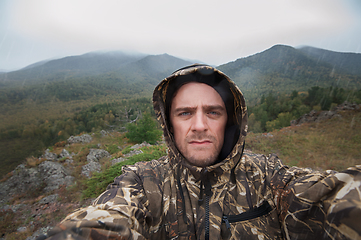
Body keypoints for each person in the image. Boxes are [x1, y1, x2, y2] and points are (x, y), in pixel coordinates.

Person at [40, 64, 361, 240]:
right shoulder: (142, 183)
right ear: (169, 124)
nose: (199, 125)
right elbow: (103, 220)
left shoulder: (269, 177)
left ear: (230, 122)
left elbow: (333, 195)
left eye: (213, 112)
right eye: (184, 113)